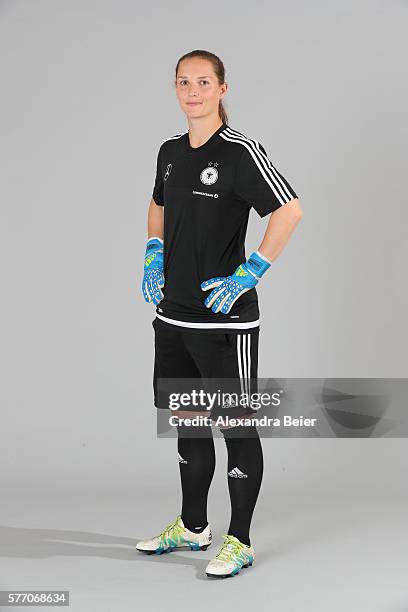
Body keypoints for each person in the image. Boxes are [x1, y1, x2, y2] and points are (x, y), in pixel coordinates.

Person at [136, 49, 303, 578]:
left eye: (204, 82)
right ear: (176, 88)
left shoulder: (239, 152)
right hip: (174, 316)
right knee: (186, 422)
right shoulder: (169, 151)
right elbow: (158, 202)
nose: (193, 91)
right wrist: (153, 249)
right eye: (184, 81)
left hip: (223, 319)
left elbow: (289, 210)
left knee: (234, 424)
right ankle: (191, 527)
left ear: (222, 90)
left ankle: (240, 540)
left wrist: (249, 272)